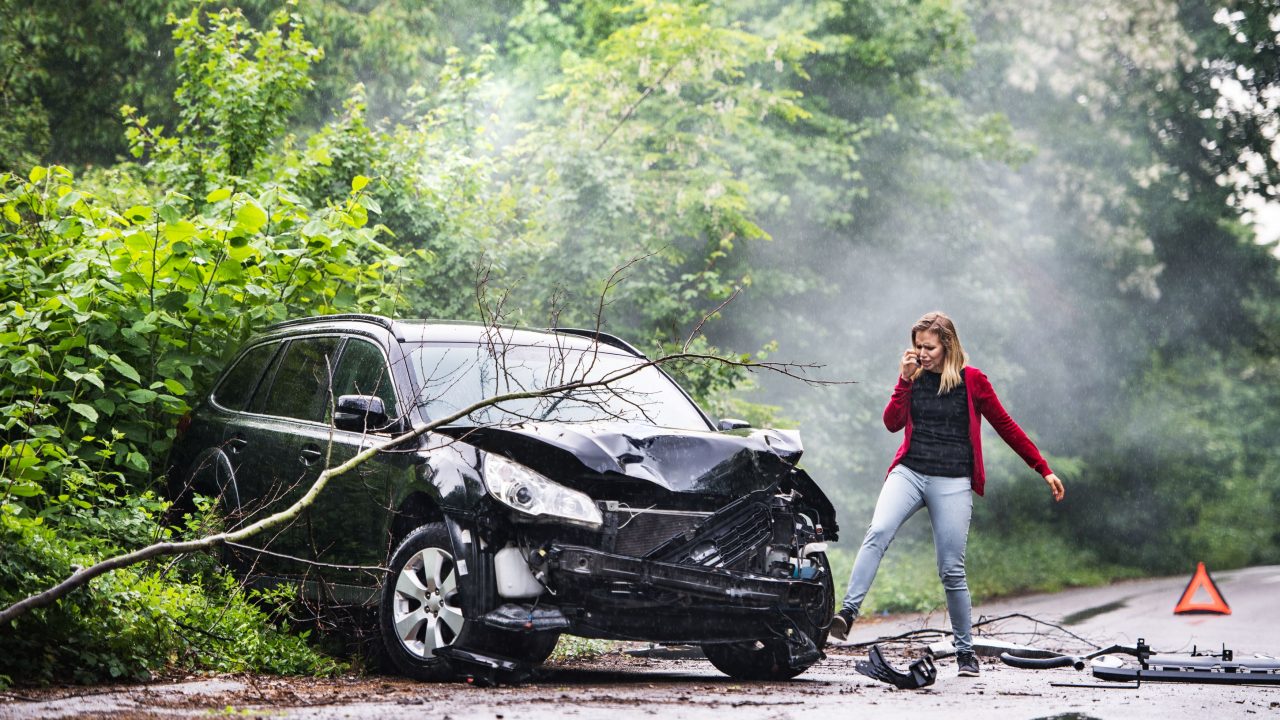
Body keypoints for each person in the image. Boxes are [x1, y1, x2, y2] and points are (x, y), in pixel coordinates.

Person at [828, 311, 1065, 677]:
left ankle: (965, 653)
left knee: (951, 569)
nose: (921, 353)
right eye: (917, 346)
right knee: (877, 532)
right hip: (910, 471)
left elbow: (1005, 425)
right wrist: (903, 382)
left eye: (929, 347)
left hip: (952, 481)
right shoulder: (913, 377)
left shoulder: (973, 382)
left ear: (947, 345)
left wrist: (1042, 467)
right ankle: (846, 613)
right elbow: (892, 423)